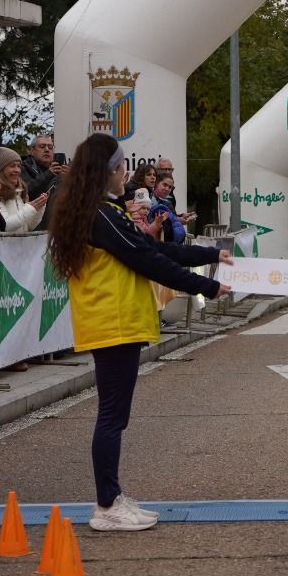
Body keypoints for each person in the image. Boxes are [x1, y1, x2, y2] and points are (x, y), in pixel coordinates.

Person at [47, 133, 234, 533]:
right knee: (112, 416)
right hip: (112, 323)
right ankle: (106, 505)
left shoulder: (103, 212)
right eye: (120, 167)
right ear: (107, 171)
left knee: (116, 415)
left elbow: (155, 250)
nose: (124, 174)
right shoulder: (102, 216)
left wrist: (208, 255)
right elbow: (147, 259)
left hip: (118, 321)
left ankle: (112, 496)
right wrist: (206, 285)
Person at [0, 146, 47, 233]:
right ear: (1, 170)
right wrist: (30, 208)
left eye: (19, 166)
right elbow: (6, 226)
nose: (17, 170)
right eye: (12, 166)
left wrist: (39, 208)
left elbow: (28, 226)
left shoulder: (19, 192)